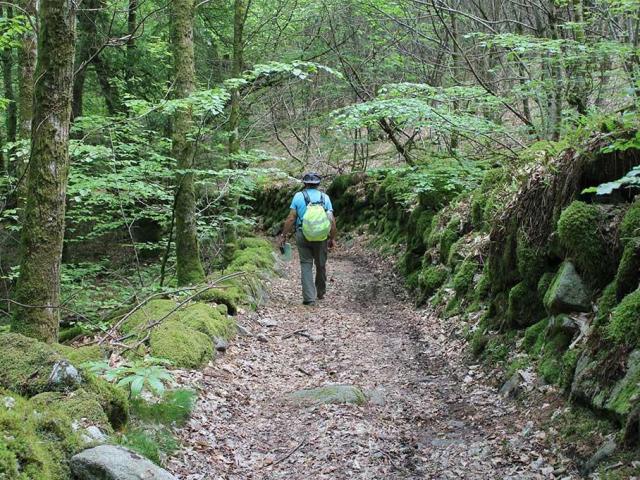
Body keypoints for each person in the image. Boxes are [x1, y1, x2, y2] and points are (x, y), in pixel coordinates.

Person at [279, 172, 337, 306]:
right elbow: (332, 221)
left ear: (305, 183)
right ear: (318, 184)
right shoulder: (325, 197)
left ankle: (309, 298)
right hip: (321, 237)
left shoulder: (298, 196)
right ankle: (321, 291)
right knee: (321, 264)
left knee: (306, 264)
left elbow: (291, 218)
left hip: (302, 234)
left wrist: (284, 235)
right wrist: (332, 238)